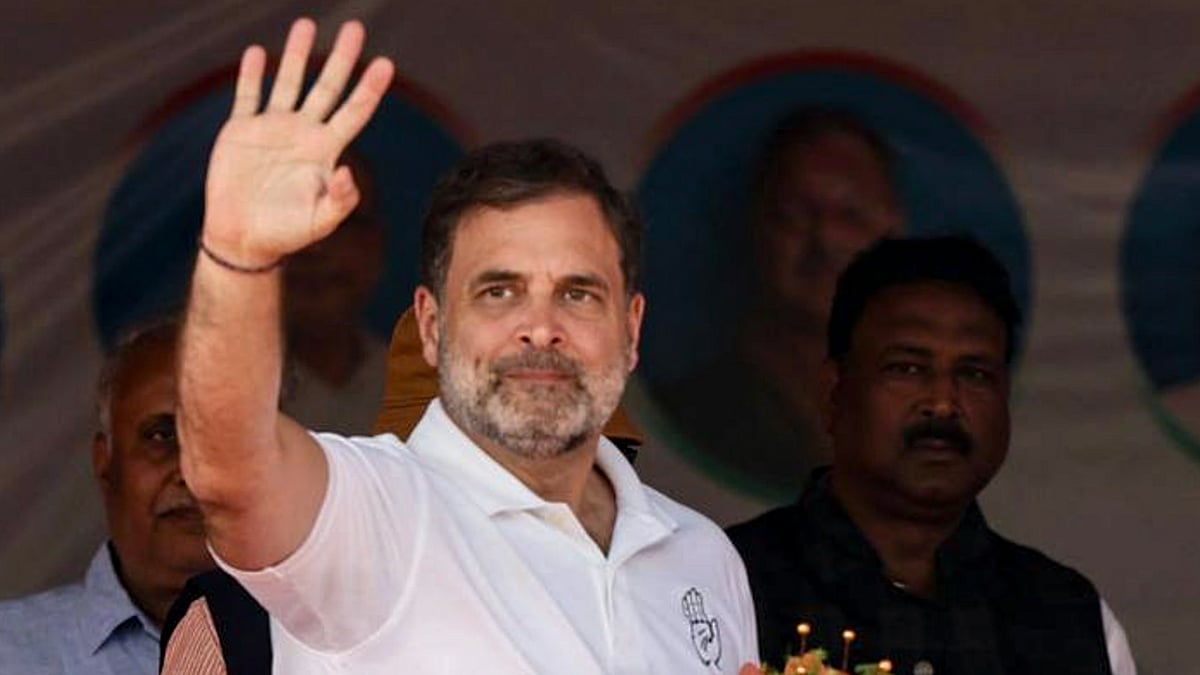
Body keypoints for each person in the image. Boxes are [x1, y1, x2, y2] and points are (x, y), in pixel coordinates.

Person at [177, 17, 757, 674]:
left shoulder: (702, 555)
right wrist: (237, 256)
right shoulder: (379, 516)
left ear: (632, 331)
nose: (540, 327)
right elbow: (231, 473)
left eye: (577, 292)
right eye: (499, 292)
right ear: (429, 326)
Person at [729, 237, 1137, 675]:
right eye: (907, 368)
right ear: (834, 392)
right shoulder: (723, 582)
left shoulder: (1070, 617)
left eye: (973, 374)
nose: (943, 403)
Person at [660, 108, 904, 499]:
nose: (825, 239)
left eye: (851, 215)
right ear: (757, 228)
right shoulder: (691, 416)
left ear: (894, 230)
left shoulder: (927, 419)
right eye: (794, 216)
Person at [0, 319, 214, 674]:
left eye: (221, 439)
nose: (192, 470)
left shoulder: (330, 646)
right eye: (161, 436)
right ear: (105, 464)